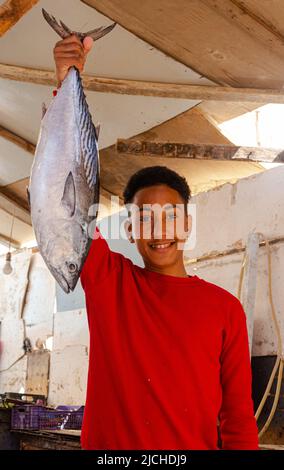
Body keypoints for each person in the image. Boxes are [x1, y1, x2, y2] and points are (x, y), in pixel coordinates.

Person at [53, 35, 259, 450]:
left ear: (187, 223)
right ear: (129, 230)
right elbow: (66, 203)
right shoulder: (109, 280)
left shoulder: (226, 311)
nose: (158, 229)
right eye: (144, 217)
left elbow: (238, 419)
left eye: (170, 215)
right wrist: (65, 83)